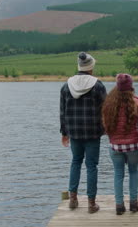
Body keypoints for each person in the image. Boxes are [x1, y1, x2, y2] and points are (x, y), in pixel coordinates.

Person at [59, 52, 107, 214]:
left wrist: (64, 132)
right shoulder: (98, 85)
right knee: (91, 166)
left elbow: (62, 112)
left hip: (74, 132)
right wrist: (106, 128)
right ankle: (91, 203)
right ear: (91, 67)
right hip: (93, 133)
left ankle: (73, 199)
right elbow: (105, 110)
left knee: (76, 162)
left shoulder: (66, 86)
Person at [102, 74, 138, 215]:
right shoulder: (136, 102)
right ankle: (134, 204)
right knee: (133, 172)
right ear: (131, 87)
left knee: (118, 174)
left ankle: (119, 205)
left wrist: (112, 138)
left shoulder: (109, 103)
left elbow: (105, 126)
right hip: (133, 146)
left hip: (115, 146)